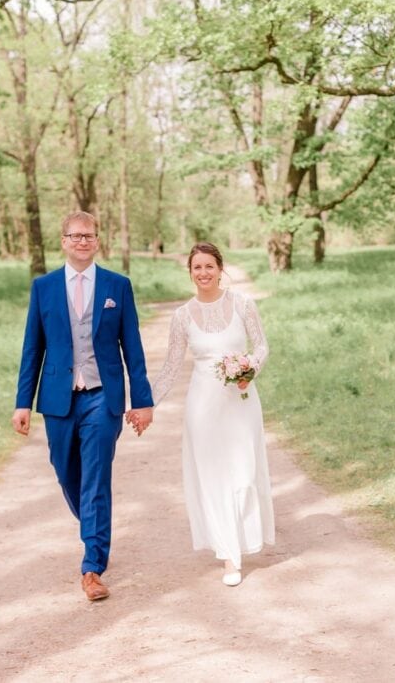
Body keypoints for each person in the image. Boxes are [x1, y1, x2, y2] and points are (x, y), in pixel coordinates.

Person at [12, 211, 154, 601]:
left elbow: (133, 349)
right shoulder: (43, 287)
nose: (81, 242)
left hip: (101, 398)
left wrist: (142, 401)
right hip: (58, 399)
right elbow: (32, 348)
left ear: (97, 241)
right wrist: (22, 402)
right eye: (74, 236)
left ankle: (92, 566)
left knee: (95, 480)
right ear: (63, 241)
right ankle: (95, 525)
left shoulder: (117, 286)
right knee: (64, 471)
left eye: (88, 236)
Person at [140, 242, 274, 586]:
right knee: (213, 478)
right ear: (190, 271)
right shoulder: (182, 316)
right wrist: (146, 404)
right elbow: (171, 366)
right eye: (196, 267)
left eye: (209, 267)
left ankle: (245, 536)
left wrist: (249, 370)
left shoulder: (243, 304)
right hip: (202, 407)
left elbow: (261, 346)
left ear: (220, 268)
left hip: (241, 402)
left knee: (244, 474)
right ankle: (229, 556)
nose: (203, 273)